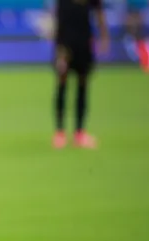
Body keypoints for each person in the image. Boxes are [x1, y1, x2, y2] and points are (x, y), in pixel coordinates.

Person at [52, 0, 109, 149]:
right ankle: (60, 133)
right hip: (65, 44)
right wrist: (58, 46)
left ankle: (79, 133)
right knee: (62, 84)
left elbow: (99, 13)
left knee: (83, 86)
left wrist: (104, 36)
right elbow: (57, 16)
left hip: (84, 43)